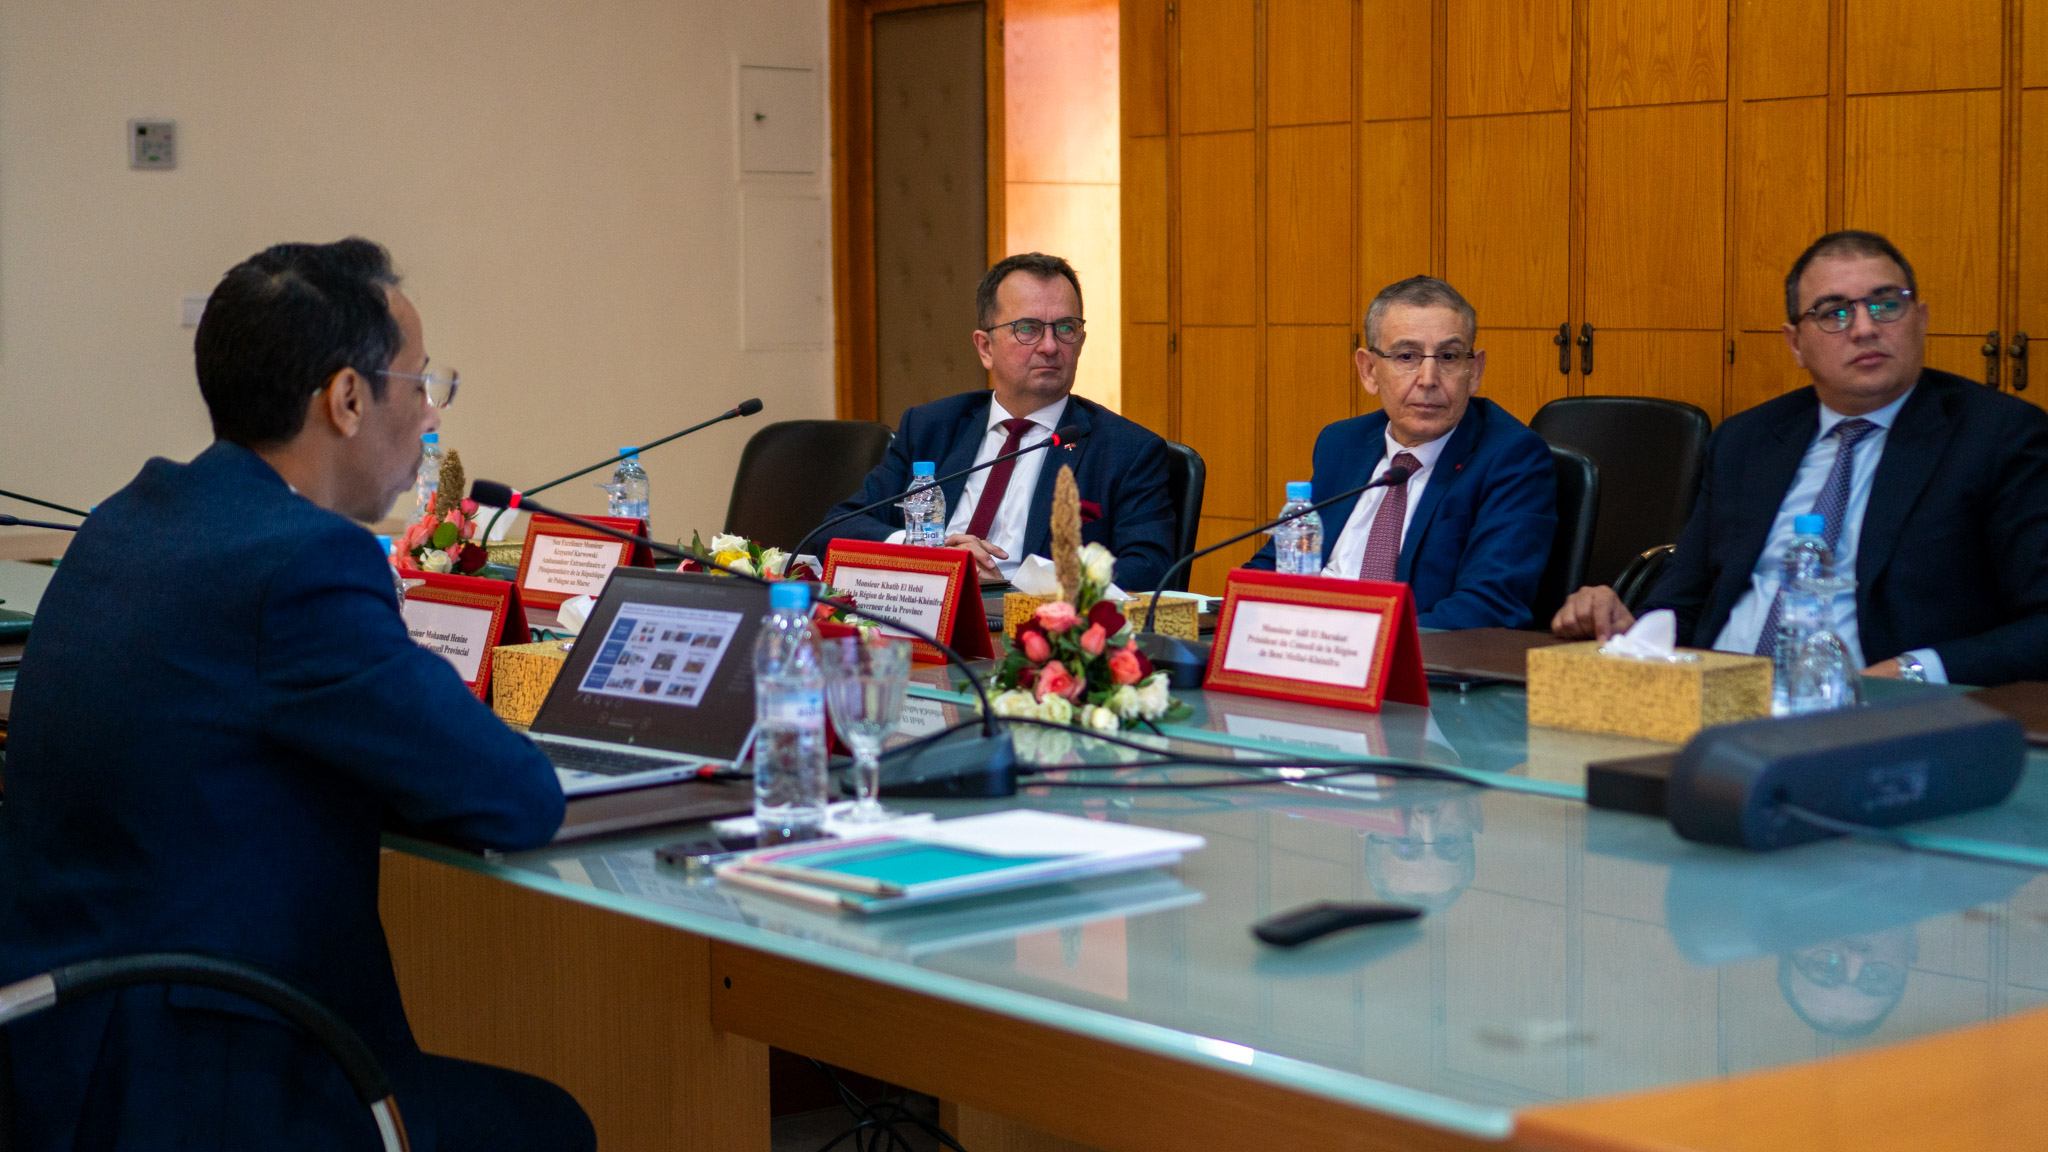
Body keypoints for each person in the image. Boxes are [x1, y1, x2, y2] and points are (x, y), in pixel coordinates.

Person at [0, 239, 594, 1151]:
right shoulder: (303, 563)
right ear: (348, 399)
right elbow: (518, 797)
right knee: (549, 1127)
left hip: (65, 1053)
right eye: (421, 383)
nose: (430, 414)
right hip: (206, 1085)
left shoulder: (132, 517)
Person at [1553, 231, 2048, 687]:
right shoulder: (1746, 441)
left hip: (1877, 717)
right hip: (1720, 698)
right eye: (1834, 313)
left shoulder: (1999, 438)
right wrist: (1630, 625)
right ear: (1795, 344)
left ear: (1920, 319)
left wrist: (1915, 671)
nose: (1864, 328)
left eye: (1885, 305)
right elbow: (1684, 600)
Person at [821, 252, 1176, 590]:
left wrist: (1023, 587)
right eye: (1028, 328)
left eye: (1065, 328)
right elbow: (834, 530)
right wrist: (928, 552)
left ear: (1080, 342)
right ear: (985, 348)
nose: (1050, 346)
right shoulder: (931, 428)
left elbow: (1151, 571)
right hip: (924, 611)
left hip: (1033, 622)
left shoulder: (1127, 450)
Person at [1247, 276, 1557, 629]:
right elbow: (1277, 564)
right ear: (1369, 371)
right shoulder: (1342, 443)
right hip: (1310, 640)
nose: (1428, 378)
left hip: (1413, 652)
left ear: (1474, 371)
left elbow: (1489, 607)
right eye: (1407, 356)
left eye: (1448, 357)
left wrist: (1366, 643)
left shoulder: (1511, 458)